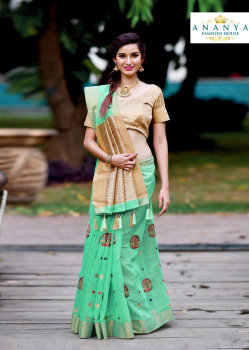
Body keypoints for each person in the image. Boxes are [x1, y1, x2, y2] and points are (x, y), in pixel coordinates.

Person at [71, 32, 175, 340]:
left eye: (134, 55)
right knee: (105, 243)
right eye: (122, 56)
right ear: (114, 61)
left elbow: (160, 140)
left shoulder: (153, 92)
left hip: (142, 173)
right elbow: (88, 141)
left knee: (129, 246)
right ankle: (103, 316)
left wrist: (165, 184)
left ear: (142, 60)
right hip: (109, 173)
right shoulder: (101, 96)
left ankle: (136, 316)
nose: (128, 61)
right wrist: (111, 158)